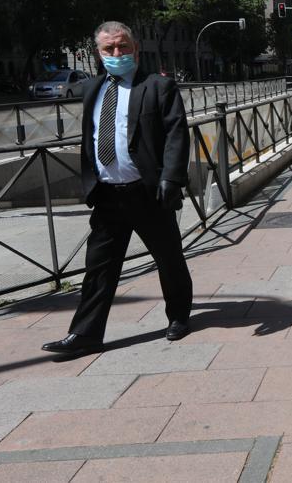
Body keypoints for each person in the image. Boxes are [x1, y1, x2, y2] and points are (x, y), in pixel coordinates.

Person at [42, 21, 193, 355]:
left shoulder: (157, 87)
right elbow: (91, 137)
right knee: (98, 267)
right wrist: (90, 182)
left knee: (168, 258)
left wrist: (171, 179)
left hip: (148, 192)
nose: (117, 54)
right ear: (98, 53)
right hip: (108, 194)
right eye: (109, 49)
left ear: (135, 49)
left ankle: (179, 316)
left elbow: (176, 135)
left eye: (123, 47)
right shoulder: (92, 89)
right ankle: (86, 334)